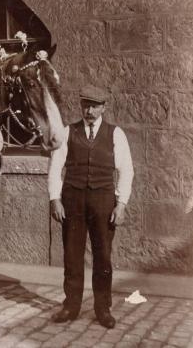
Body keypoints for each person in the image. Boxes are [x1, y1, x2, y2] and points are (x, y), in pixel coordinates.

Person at [48, 85, 134, 329]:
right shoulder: (68, 132)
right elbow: (55, 168)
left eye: (95, 106)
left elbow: (126, 170)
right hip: (72, 201)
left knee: (103, 257)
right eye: (86, 105)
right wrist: (55, 199)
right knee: (72, 256)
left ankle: (102, 308)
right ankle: (71, 306)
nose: (89, 110)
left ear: (104, 107)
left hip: (103, 202)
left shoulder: (115, 134)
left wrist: (122, 204)